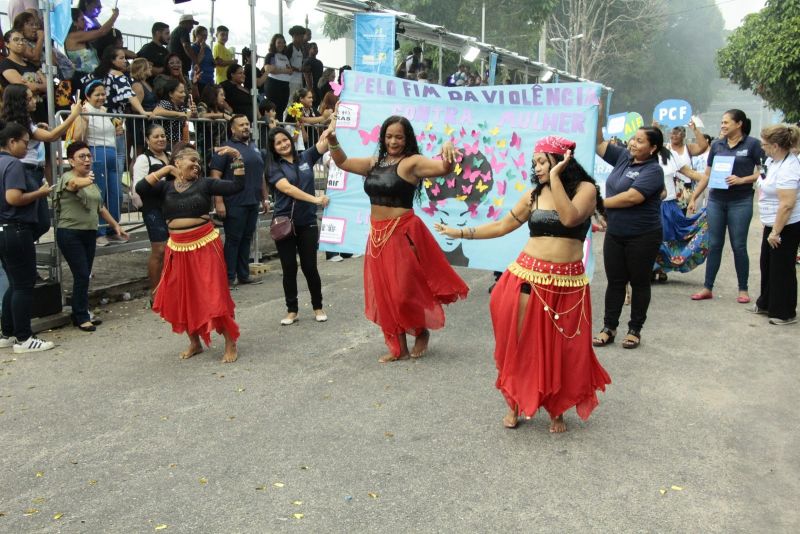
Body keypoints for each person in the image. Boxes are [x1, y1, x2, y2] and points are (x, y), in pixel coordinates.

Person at [434, 136, 610, 432]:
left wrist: (554, 178)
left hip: (568, 283)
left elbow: (569, 218)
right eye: (535, 163)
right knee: (521, 343)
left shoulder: (585, 190)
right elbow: (503, 226)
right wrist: (460, 232)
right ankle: (514, 402)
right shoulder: (534, 195)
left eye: (543, 162)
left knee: (565, 348)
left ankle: (557, 408)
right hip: (528, 277)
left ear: (561, 161)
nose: (537, 168)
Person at [327, 115, 469, 362]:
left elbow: (442, 169)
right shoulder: (375, 163)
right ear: (383, 137)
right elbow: (344, 162)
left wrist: (448, 155)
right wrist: (332, 139)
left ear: (407, 139)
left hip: (402, 233)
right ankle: (399, 347)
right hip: (378, 236)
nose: (393, 141)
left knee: (404, 291)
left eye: (399, 137)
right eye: (389, 136)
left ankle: (421, 330)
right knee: (386, 294)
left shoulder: (411, 163)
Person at [135, 143, 245, 363]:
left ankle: (230, 341)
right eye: (192, 160)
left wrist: (238, 158)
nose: (197, 165)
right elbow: (140, 188)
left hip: (205, 245)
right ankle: (195, 342)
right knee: (182, 297)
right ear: (177, 162)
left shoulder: (205, 184)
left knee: (215, 295)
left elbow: (236, 186)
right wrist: (165, 170)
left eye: (198, 162)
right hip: (177, 247)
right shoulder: (165, 187)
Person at [593, 115, 667, 350]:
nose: (633, 144)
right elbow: (598, 143)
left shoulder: (653, 170)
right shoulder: (624, 157)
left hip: (643, 235)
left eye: (640, 141)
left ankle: (635, 330)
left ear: (653, 148)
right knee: (615, 281)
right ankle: (609, 327)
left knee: (639, 282)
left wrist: (598, 204)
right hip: (616, 233)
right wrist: (597, 112)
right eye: (633, 139)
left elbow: (632, 197)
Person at [688, 109, 764, 304]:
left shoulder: (753, 144)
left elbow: (764, 171)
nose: (722, 126)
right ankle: (707, 287)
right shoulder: (717, 145)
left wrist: (742, 180)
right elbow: (707, 174)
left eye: (726, 122)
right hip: (716, 200)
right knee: (714, 245)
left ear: (739, 124)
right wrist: (694, 197)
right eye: (722, 122)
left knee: (739, 245)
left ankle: (743, 289)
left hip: (741, 201)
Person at [55, 141, 128, 332]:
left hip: (89, 233)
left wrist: (115, 226)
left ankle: (82, 311)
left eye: (89, 156)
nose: (87, 160)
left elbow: (100, 207)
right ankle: (81, 316)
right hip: (70, 233)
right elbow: (73, 185)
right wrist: (86, 180)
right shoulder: (68, 177)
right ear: (71, 161)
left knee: (84, 275)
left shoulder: (91, 181)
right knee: (81, 274)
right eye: (82, 157)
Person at [266, 127, 330, 325]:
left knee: (310, 267)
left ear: (291, 140)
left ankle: (318, 307)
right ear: (274, 148)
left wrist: (336, 117)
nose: (284, 145)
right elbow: (288, 189)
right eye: (278, 143)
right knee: (289, 268)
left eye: (285, 140)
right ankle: (291, 310)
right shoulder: (273, 167)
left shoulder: (306, 157)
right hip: (284, 223)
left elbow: (326, 141)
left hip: (307, 222)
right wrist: (316, 199)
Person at [0, 121, 55, 353]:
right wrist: (40, 193)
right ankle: (24, 338)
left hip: (3, 229)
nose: (27, 147)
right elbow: (14, 197)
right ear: (12, 142)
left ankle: (8, 333)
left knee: (14, 283)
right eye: (25, 142)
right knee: (24, 284)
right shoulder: (13, 163)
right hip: (15, 227)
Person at [1, 84, 82, 239]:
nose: (35, 101)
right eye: (29, 99)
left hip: (34, 171)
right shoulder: (16, 124)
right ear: (20, 102)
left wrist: (36, 128)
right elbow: (51, 136)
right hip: (27, 170)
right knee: (37, 220)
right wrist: (73, 115)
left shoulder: (22, 122)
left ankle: (19, 246)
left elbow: (35, 133)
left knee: (39, 221)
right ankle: (18, 247)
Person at [210, 115, 268, 288]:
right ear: (232, 129)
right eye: (241, 125)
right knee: (234, 240)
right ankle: (228, 277)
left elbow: (261, 175)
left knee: (246, 238)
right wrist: (218, 202)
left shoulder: (254, 148)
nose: (245, 127)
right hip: (234, 201)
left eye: (247, 124)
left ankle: (243, 274)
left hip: (252, 201)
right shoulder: (225, 150)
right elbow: (215, 176)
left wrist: (265, 198)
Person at [752, 124, 800, 325]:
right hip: (770, 222)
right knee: (767, 264)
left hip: (785, 225)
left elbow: (787, 205)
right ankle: (767, 302)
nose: (762, 147)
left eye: (764, 144)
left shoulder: (790, 167)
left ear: (776, 145)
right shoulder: (773, 161)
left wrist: (776, 232)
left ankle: (784, 311)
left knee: (782, 267)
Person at [80, 79, 125, 246]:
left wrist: (118, 130)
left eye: (103, 94)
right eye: (97, 94)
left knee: (115, 193)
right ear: (88, 96)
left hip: (112, 153)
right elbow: (81, 134)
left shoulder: (106, 112)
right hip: (96, 152)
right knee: (100, 194)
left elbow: (113, 132)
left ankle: (114, 229)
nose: (101, 97)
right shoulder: (85, 111)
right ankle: (99, 231)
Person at [130, 125, 171, 297]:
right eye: (156, 136)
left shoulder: (170, 157)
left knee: (172, 250)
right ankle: (157, 292)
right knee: (159, 250)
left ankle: (171, 288)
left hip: (171, 209)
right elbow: (139, 188)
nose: (161, 139)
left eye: (163, 136)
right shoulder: (143, 160)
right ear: (147, 140)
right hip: (153, 209)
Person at [1, 29, 47, 122]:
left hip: (41, 110)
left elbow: (48, 86)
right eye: (16, 40)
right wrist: (39, 87)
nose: (21, 42)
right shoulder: (5, 64)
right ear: (7, 44)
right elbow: (23, 88)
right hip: (22, 115)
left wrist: (35, 87)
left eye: (23, 40)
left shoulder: (31, 65)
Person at [65, 6, 118, 77]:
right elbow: (102, 32)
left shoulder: (78, 37)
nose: (85, 21)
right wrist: (114, 16)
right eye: (82, 19)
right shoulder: (73, 36)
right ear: (74, 22)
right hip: (85, 77)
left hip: (93, 75)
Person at [667, 122, 709, 210]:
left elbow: (703, 146)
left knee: (683, 212)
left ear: (683, 135)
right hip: (669, 185)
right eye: (672, 133)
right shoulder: (665, 148)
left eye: (677, 133)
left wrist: (694, 129)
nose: (674, 136)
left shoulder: (688, 148)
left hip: (686, 186)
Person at [152, 77, 197, 147]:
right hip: (165, 145)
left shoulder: (180, 108)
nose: (184, 95)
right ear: (170, 94)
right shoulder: (166, 103)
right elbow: (156, 112)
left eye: (184, 92)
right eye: (181, 92)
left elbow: (190, 115)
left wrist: (194, 112)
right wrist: (181, 114)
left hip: (176, 145)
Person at [264, 34, 292, 123]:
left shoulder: (285, 56)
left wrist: (280, 69)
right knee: (273, 108)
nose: (281, 44)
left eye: (283, 42)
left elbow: (290, 70)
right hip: (274, 84)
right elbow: (269, 69)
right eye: (278, 42)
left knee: (282, 108)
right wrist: (284, 70)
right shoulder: (271, 55)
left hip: (285, 85)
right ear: (274, 43)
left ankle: (279, 127)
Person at [189, 25, 214, 96]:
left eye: (206, 35)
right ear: (197, 35)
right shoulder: (193, 48)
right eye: (203, 35)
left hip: (209, 79)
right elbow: (196, 62)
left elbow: (211, 61)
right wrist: (202, 48)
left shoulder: (208, 49)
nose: (205, 37)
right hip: (200, 79)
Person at [286, 25, 306, 97]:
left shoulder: (301, 49)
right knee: (291, 101)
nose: (302, 38)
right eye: (301, 36)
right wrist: (298, 69)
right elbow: (286, 65)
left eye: (302, 36)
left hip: (299, 80)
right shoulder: (290, 48)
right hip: (291, 81)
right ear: (294, 36)